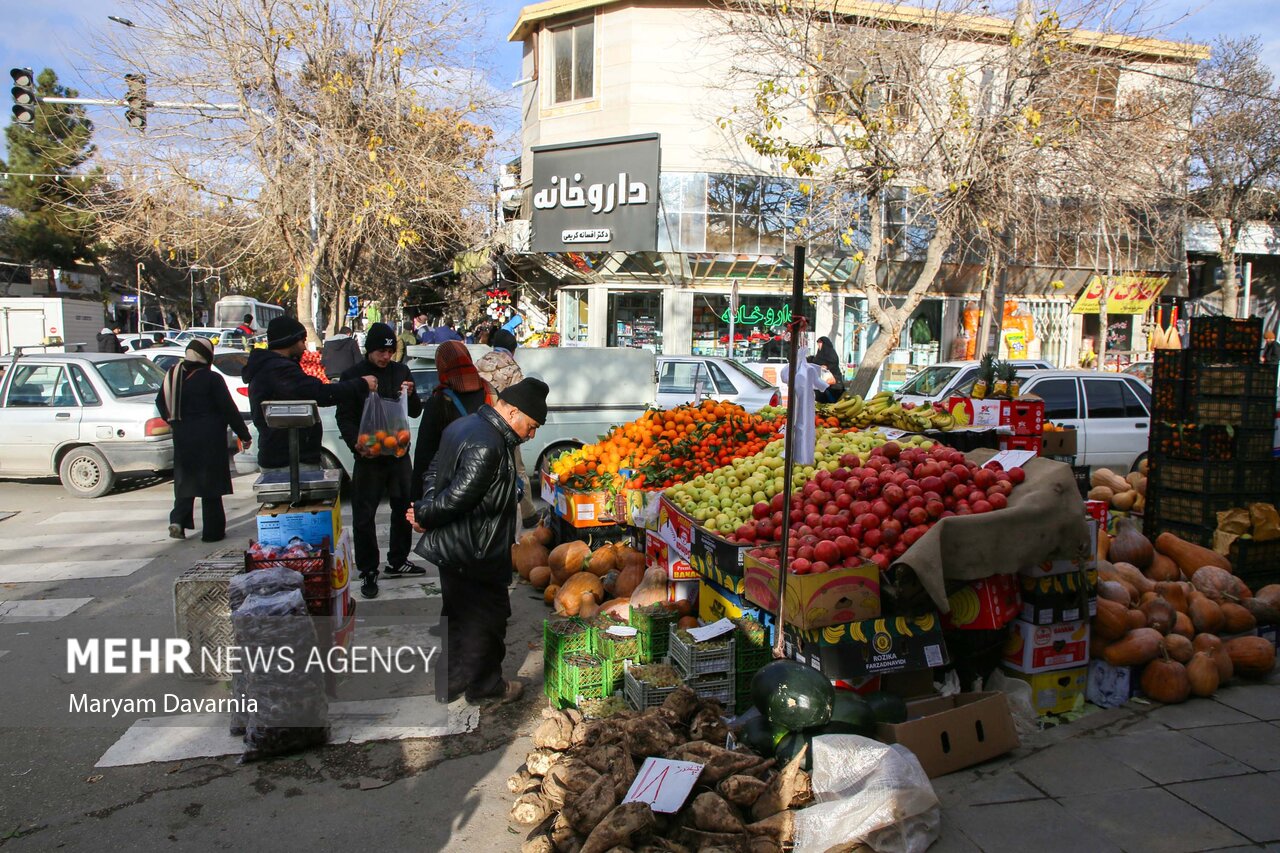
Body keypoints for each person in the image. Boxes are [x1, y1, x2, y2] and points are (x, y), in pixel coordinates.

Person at [408, 376, 549, 705]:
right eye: (531, 426)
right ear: (512, 412)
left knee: (457, 617)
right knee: (488, 620)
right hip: (477, 549)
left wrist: (426, 506)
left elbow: (434, 471)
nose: (531, 435)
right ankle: (486, 685)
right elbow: (458, 498)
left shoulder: (464, 425)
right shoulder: (489, 444)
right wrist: (425, 514)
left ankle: (451, 682)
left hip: (455, 547)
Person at [336, 323, 424, 599]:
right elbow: (344, 417)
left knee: (403, 510)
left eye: (390, 351)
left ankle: (398, 560)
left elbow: (415, 411)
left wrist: (412, 394)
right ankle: (368, 569)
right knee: (364, 515)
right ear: (368, 350)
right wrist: (356, 444)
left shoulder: (401, 372)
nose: (386, 357)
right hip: (369, 457)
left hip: (398, 455)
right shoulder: (353, 376)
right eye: (380, 352)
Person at [242, 317, 375, 473]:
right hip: (288, 460)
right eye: (302, 341)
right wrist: (361, 384)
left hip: (285, 456)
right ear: (290, 340)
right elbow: (319, 393)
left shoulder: (270, 366)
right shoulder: (278, 370)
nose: (304, 347)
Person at [156, 337, 253, 542]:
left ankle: (178, 520)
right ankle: (212, 533)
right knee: (211, 488)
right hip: (210, 439)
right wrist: (243, 434)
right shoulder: (211, 379)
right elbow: (228, 409)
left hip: (183, 437)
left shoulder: (172, 375)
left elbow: (161, 402)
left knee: (185, 482)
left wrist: (175, 422)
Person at [412, 341, 494, 503]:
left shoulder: (439, 402)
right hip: (486, 484)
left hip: (451, 489)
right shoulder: (489, 392)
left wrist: (416, 498)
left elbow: (424, 454)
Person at [477, 329, 538, 528]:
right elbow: (523, 402)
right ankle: (528, 514)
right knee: (517, 468)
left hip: (481, 422)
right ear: (513, 349)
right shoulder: (511, 367)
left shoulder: (479, 362)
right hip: (506, 425)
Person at [808, 336, 845, 403]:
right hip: (821, 382)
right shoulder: (819, 355)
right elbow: (815, 361)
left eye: (820, 343)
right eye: (818, 344)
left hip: (834, 384)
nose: (819, 345)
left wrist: (827, 367)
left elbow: (833, 363)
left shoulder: (831, 354)